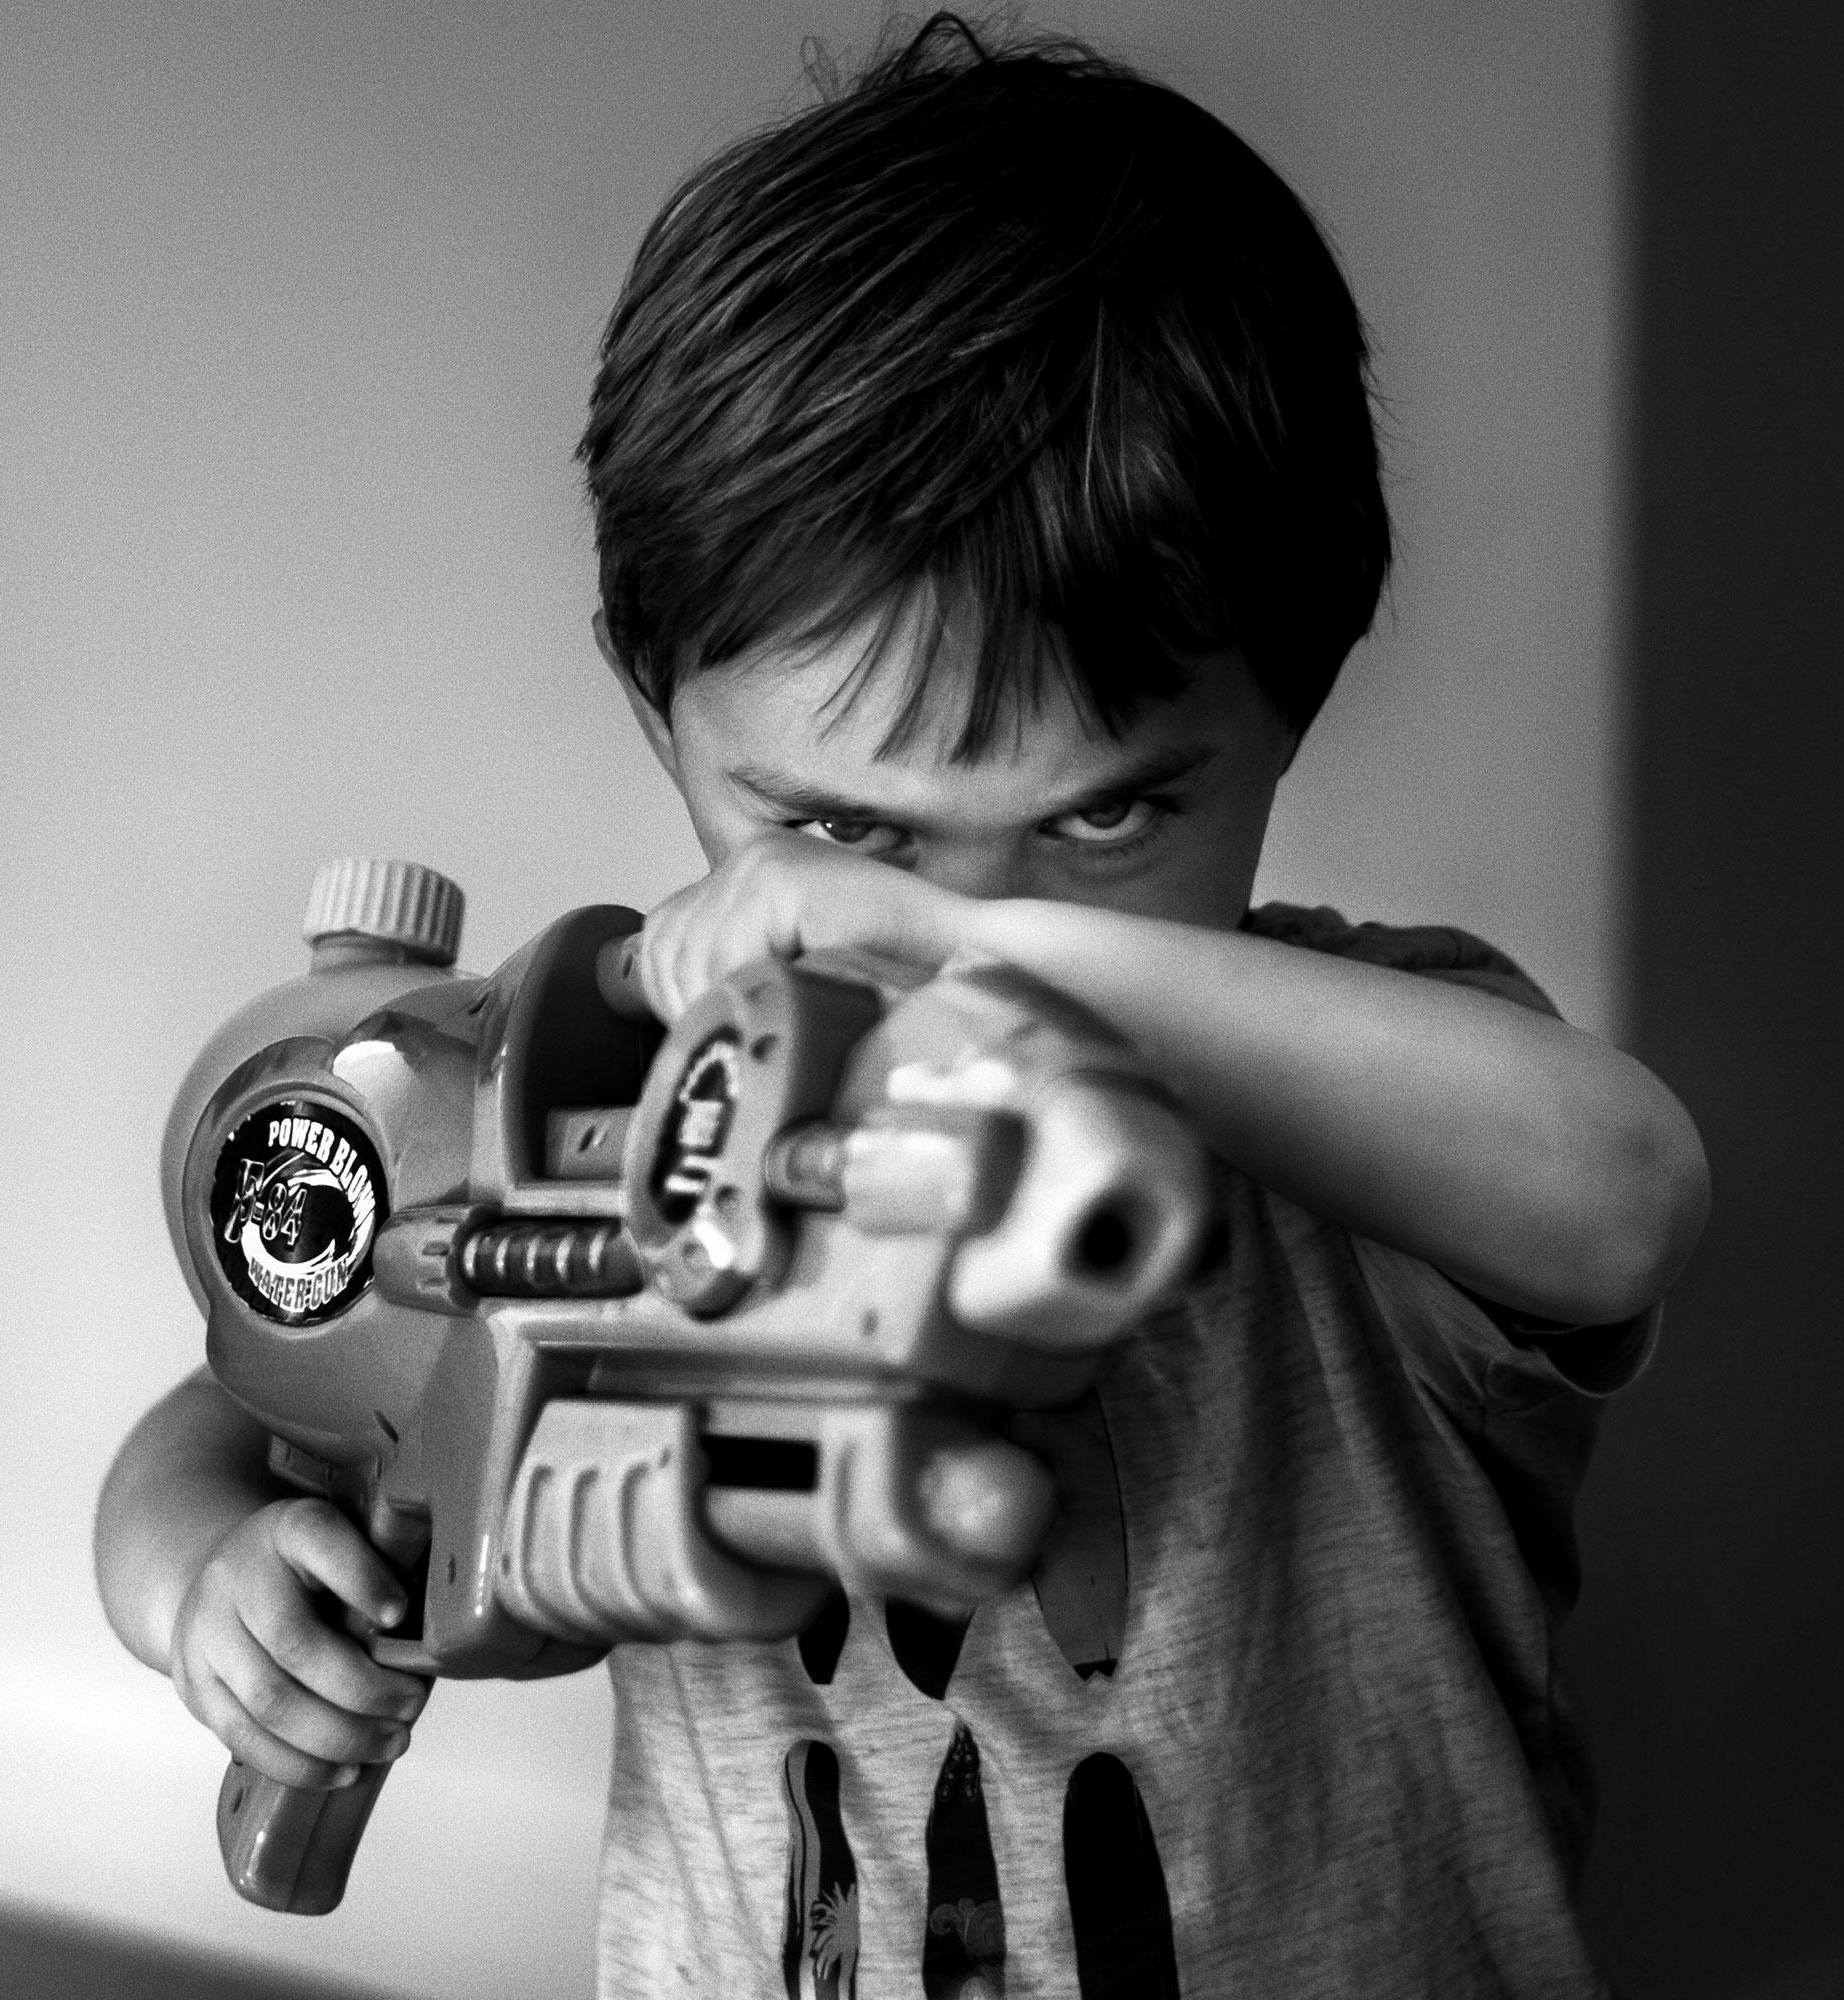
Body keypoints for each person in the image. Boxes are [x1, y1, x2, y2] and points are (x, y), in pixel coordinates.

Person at [95, 17, 1709, 1997]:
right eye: (841, 824)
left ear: (1289, 702)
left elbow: (1623, 1187)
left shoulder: (1346, 1098)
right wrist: (210, 1585)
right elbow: (232, 1406)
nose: (945, 915)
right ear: (657, 704)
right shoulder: (589, 1108)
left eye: (1100, 814)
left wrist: (986, 961)